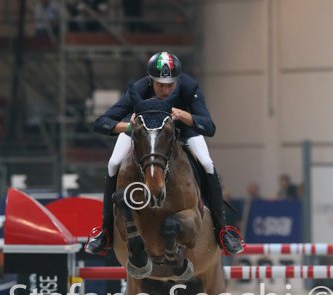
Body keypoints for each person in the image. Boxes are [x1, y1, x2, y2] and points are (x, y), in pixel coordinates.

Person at [85, 51, 244, 256]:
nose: (166, 90)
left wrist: (185, 116)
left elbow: (209, 127)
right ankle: (105, 232)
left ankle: (223, 230)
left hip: (182, 130)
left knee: (206, 163)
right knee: (113, 163)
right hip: (142, 133)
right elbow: (102, 122)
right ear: (151, 80)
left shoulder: (189, 87)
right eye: (160, 85)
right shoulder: (139, 88)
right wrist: (129, 126)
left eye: (170, 85)